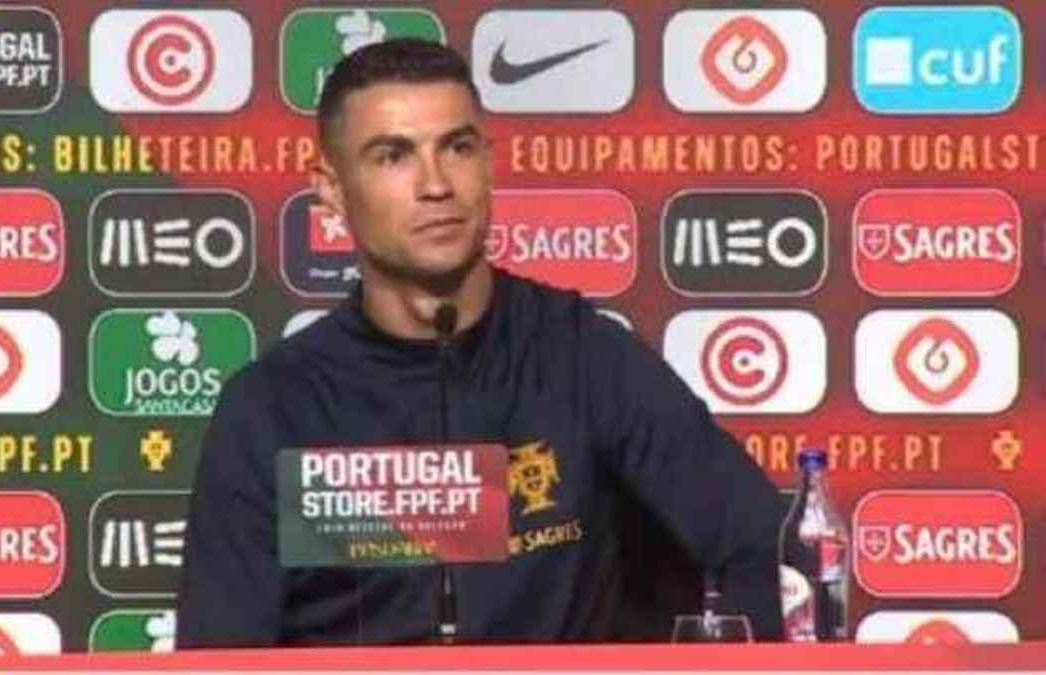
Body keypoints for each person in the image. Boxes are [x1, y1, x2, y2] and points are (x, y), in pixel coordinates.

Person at [176, 38, 784, 647]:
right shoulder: (274, 407)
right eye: (393, 156)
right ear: (332, 189)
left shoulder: (583, 357)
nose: (436, 184)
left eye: (458, 148)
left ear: (488, 163)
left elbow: (770, 552)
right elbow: (219, 651)